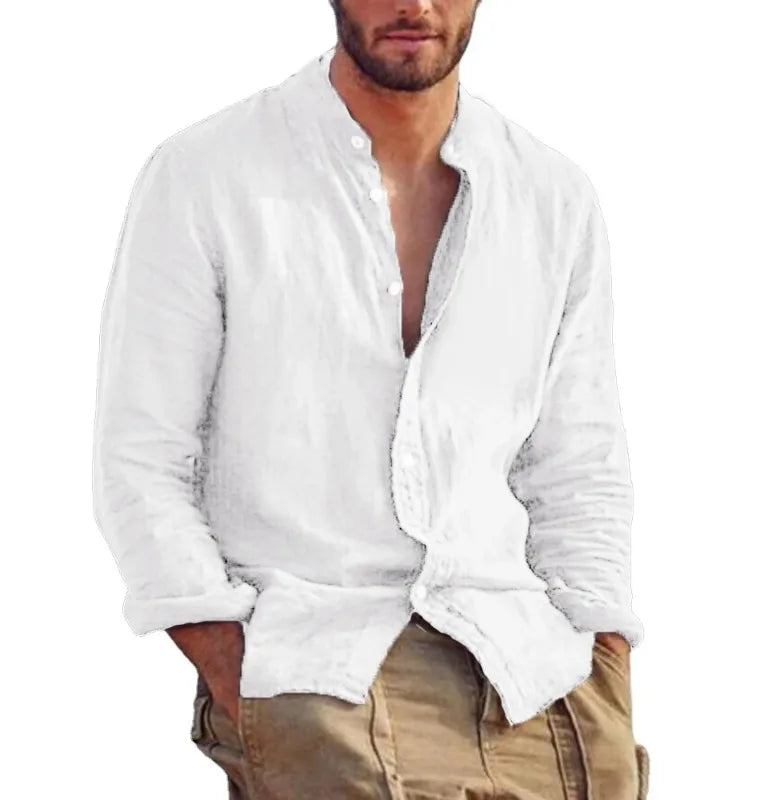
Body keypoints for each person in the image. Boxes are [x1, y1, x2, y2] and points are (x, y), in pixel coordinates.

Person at [92, 1, 649, 798]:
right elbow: (141, 458)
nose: (414, 3)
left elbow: (579, 465)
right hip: (317, 663)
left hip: (531, 669)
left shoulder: (552, 196)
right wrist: (233, 666)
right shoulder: (207, 176)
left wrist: (604, 659)